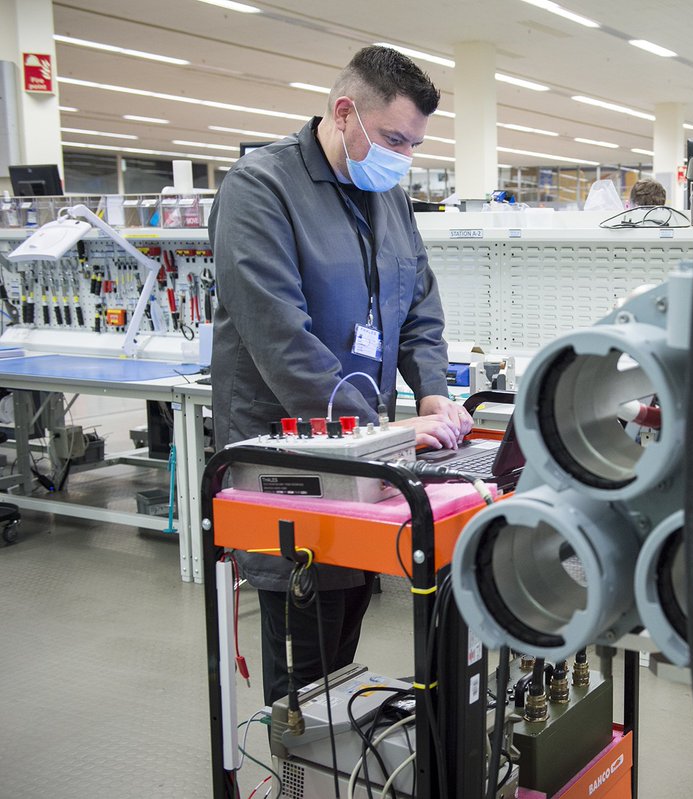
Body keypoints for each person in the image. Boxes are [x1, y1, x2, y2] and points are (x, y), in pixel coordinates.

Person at [210, 45, 473, 704]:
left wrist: (433, 393)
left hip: (370, 458)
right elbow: (282, 341)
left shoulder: (388, 198)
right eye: (393, 139)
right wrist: (386, 431)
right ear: (345, 112)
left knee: (344, 631)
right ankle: (295, 754)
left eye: (414, 145)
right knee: (305, 661)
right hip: (290, 462)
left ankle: (332, 746)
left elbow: (418, 307)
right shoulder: (260, 189)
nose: (402, 157)